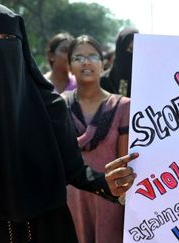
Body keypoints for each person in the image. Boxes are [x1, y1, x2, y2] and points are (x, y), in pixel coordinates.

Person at [0, 3, 137, 242]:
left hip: (48, 230)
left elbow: (75, 171)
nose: (0, 48)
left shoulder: (49, 107)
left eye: (9, 39)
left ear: (21, 46)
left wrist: (104, 183)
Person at [62, 35, 130, 243]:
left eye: (92, 56)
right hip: (70, 200)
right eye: (78, 57)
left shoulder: (123, 106)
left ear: (103, 64)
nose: (86, 62)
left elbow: (124, 162)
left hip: (110, 200)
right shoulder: (59, 105)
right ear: (70, 67)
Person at [100, 27, 138, 97]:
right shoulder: (103, 81)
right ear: (120, 49)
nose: (133, 54)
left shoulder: (145, 82)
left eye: (137, 49)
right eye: (130, 49)